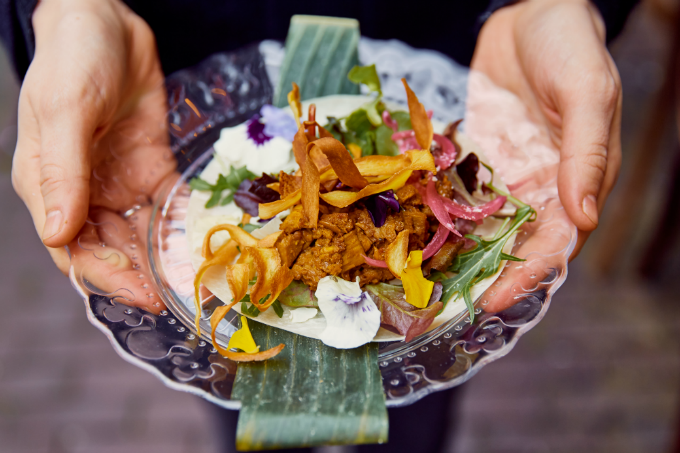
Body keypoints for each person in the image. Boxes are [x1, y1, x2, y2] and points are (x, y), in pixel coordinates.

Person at [0, 0, 637, 452]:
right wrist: (67, 9)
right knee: (242, 388)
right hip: (175, 75)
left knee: (419, 400)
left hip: (462, 51)